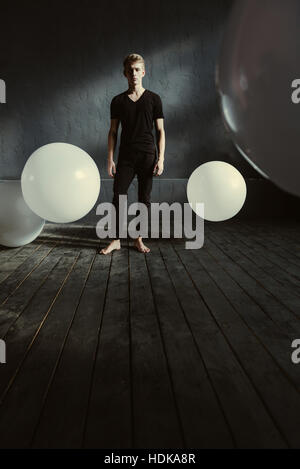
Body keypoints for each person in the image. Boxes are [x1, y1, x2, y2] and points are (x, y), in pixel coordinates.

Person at [99, 53, 165, 254]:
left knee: (144, 198)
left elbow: (161, 130)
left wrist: (161, 158)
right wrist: (110, 158)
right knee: (118, 195)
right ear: (125, 74)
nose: (133, 74)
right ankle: (116, 239)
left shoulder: (154, 99)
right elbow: (112, 131)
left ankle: (138, 237)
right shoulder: (117, 101)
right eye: (130, 71)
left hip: (147, 155)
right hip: (126, 157)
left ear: (143, 72)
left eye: (137, 70)